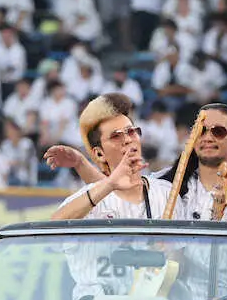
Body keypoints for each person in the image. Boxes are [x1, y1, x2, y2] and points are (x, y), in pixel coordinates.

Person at [51, 92, 172, 223]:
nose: (127, 140)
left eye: (131, 131)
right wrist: (110, 184)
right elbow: (54, 225)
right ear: (99, 154)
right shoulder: (91, 199)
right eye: (116, 136)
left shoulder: (167, 192)